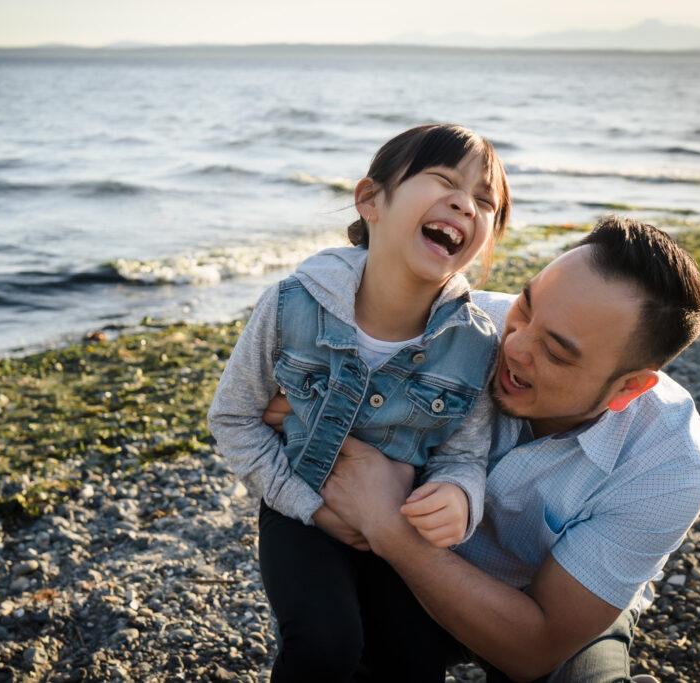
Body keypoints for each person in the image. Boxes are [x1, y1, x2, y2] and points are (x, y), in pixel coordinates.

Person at [291, 216, 700, 682]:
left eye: (555, 352)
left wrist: (390, 527)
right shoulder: (449, 328)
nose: (514, 345)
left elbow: (537, 648)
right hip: (398, 577)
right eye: (526, 307)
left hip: (546, 607)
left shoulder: (668, 462)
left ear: (629, 388)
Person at [208, 124, 511, 682]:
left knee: (416, 661)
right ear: (370, 199)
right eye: (444, 181)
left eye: (485, 202)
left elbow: (463, 456)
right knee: (326, 646)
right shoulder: (291, 305)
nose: (465, 204)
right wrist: (311, 508)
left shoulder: (475, 344)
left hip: (399, 524)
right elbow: (233, 418)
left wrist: (458, 497)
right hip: (299, 510)